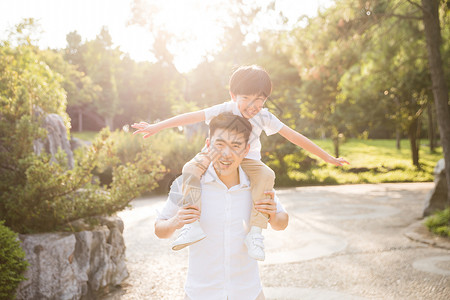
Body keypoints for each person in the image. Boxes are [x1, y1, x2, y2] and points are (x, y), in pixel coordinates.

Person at [132, 65, 349, 261]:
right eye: (246, 98)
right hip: (214, 154)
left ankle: (255, 233)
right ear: (233, 95)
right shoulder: (225, 109)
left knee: (266, 175)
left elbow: (294, 136)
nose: (253, 105)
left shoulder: (265, 117)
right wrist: (157, 126)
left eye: (260, 100)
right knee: (190, 168)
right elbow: (191, 116)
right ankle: (192, 224)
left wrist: (327, 157)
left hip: (249, 161)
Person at [155, 113, 289, 300]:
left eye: (235, 146)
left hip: (248, 292)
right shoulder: (189, 183)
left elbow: (282, 223)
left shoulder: (256, 184)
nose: (226, 154)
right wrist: (175, 222)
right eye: (220, 144)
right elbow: (159, 229)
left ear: (245, 150)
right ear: (208, 145)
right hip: (200, 292)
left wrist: (273, 215)